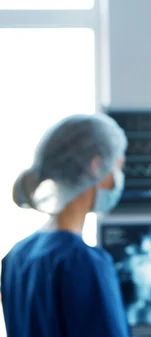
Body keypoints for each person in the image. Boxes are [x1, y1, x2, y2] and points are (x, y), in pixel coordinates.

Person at [1, 114, 131, 337]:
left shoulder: (17, 256)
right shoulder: (82, 262)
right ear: (96, 166)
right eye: (117, 167)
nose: (118, 178)